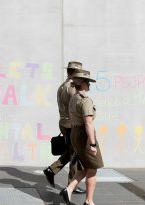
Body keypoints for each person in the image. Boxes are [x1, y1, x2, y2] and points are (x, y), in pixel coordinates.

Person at [59, 69, 104, 205]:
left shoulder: (74, 98)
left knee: (85, 167)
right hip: (84, 135)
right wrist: (92, 144)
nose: (89, 85)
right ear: (83, 83)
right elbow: (88, 123)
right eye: (88, 82)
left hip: (75, 133)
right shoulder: (85, 100)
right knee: (92, 168)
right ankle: (89, 201)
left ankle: (69, 189)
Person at [44, 61, 86, 194]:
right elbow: (77, 107)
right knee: (76, 154)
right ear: (74, 73)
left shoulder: (62, 86)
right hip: (72, 125)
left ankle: (52, 170)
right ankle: (70, 185)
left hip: (63, 122)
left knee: (71, 151)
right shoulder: (72, 87)